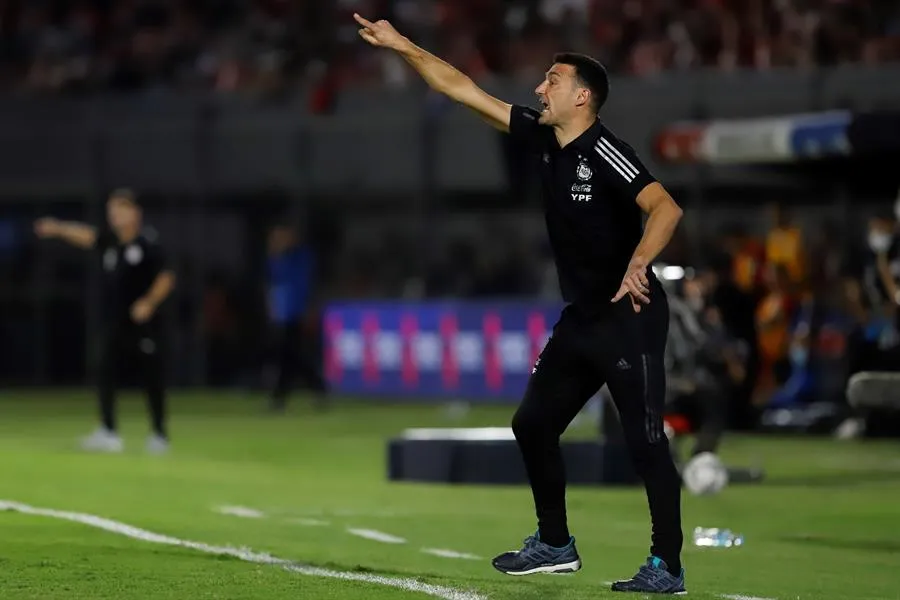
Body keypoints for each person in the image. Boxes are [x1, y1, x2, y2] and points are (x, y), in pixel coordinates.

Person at [354, 14, 686, 594]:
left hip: (628, 317)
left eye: (552, 80)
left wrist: (639, 262)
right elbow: (460, 88)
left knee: (645, 441)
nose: (539, 88)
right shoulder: (542, 138)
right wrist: (402, 45)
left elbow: (666, 207)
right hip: (582, 319)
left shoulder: (607, 152)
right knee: (532, 424)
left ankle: (668, 566)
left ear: (582, 97)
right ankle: (555, 543)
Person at [34, 189, 175, 454]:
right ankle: (109, 432)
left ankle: (159, 435)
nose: (115, 216)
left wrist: (149, 302)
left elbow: (166, 277)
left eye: (121, 210)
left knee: (151, 375)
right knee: (104, 369)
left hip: (144, 324)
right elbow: (86, 235)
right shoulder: (111, 242)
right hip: (115, 322)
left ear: (135, 213)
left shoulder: (149, 243)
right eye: (112, 211)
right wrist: (58, 228)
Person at [265, 220, 328, 411]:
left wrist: (308, 310)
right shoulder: (276, 259)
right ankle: (316, 388)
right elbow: (274, 282)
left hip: (296, 314)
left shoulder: (301, 257)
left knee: (290, 356)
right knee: (292, 357)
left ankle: (280, 398)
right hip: (281, 314)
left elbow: (302, 285)